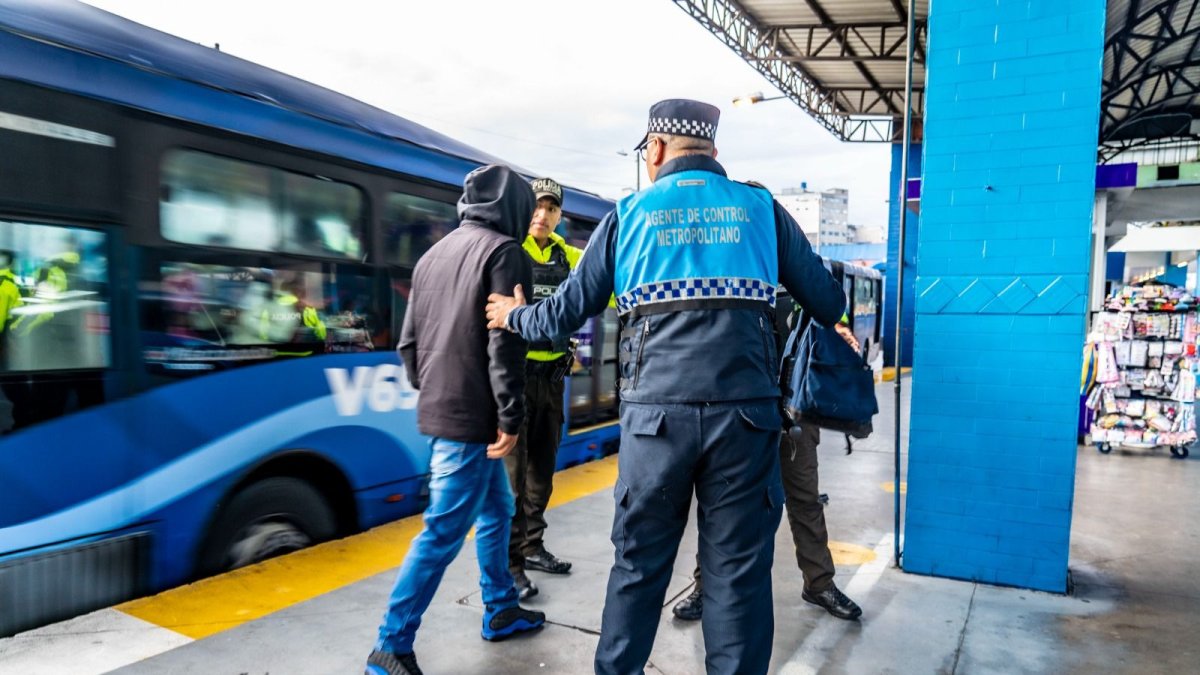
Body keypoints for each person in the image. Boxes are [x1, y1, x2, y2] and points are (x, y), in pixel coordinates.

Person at [486, 99, 845, 675]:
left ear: (655, 148)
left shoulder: (629, 216)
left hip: (655, 423)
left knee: (638, 569)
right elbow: (829, 303)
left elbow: (562, 316)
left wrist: (511, 316)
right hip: (747, 423)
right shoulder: (762, 209)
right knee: (738, 576)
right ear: (713, 152)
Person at [366, 165, 546, 675]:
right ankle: (390, 646)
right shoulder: (503, 252)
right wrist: (510, 414)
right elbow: (504, 341)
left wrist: (439, 391)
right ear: (511, 207)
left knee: (497, 508)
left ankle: (501, 608)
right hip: (477, 417)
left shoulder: (431, 256)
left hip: (444, 410)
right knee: (442, 530)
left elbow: (407, 345)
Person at [672, 313, 864, 622]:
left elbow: (826, 302)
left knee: (805, 498)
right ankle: (705, 587)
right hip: (741, 405)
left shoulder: (799, 266)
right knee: (723, 502)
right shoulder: (738, 265)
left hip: (796, 404)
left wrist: (838, 324)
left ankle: (820, 584)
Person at [506, 177, 584, 599]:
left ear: (558, 215)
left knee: (542, 471)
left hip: (552, 381)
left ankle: (533, 546)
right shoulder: (509, 251)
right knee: (513, 479)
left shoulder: (569, 256)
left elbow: (605, 286)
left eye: (551, 209)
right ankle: (511, 565)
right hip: (516, 381)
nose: (543, 214)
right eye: (538, 206)